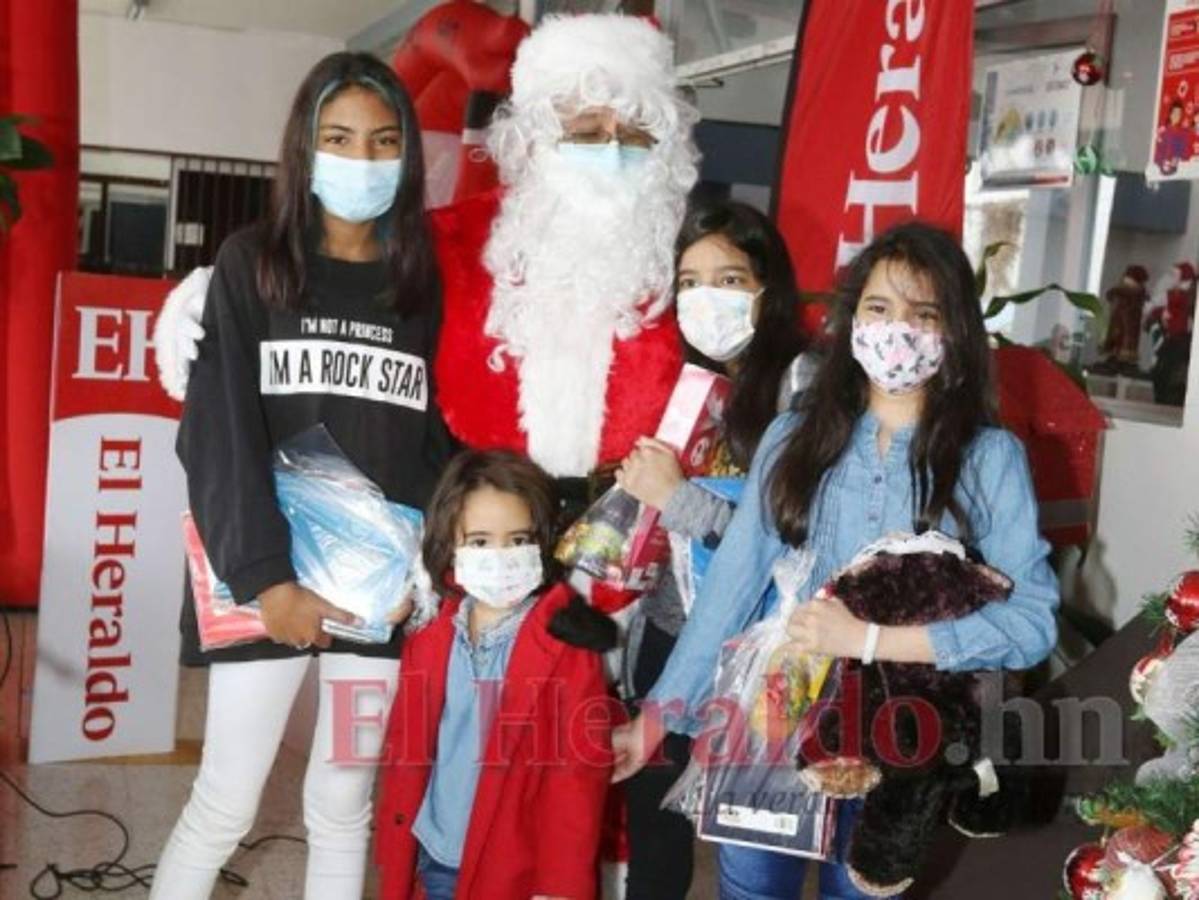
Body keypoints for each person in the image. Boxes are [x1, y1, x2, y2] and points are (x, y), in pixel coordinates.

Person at [612, 222, 1059, 899]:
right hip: (776, 707)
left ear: (954, 332)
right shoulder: (796, 436)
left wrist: (874, 639)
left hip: (906, 730)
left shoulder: (988, 458)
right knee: (752, 883)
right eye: (878, 309)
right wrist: (657, 716)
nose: (895, 330)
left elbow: (1031, 622)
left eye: (922, 314)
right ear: (852, 321)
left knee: (860, 887)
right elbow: (733, 583)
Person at [150, 52, 453, 900]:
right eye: (339, 139)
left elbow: (435, 442)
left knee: (344, 799)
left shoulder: (421, 283)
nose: (361, 161)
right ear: (305, 149)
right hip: (264, 588)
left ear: (407, 156)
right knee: (224, 799)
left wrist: (423, 576)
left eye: (382, 141)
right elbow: (216, 437)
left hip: (377, 594)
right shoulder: (251, 265)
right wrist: (267, 581)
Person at [612, 199, 809, 900]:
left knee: (750, 837)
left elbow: (796, 544)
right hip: (669, 628)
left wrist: (680, 499)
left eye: (727, 279)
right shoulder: (681, 380)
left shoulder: (802, 385)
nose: (705, 299)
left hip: (751, 648)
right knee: (653, 809)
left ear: (767, 286)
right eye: (689, 282)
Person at [374, 450, 617, 899]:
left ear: (542, 540)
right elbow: (408, 750)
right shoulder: (431, 632)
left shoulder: (564, 646)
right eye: (481, 542)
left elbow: (576, 784)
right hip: (435, 849)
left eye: (518, 539)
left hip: (514, 868)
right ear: (451, 544)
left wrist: (561, 886)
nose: (501, 557)